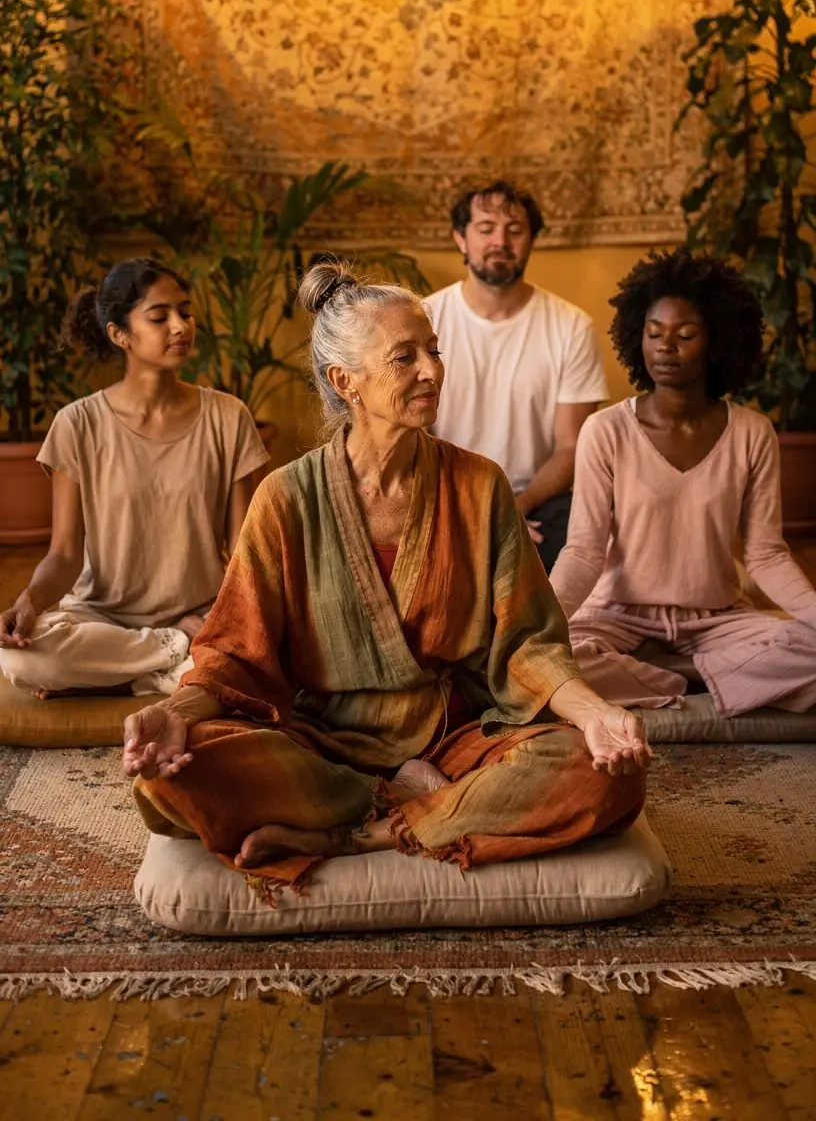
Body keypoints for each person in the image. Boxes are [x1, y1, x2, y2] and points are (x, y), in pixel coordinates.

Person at [124, 261, 649, 904]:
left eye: (433, 351)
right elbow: (232, 653)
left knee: (598, 776)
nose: (432, 370)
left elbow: (530, 647)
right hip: (320, 747)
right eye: (405, 358)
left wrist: (596, 714)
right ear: (347, 382)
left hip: (455, 740)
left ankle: (354, 837)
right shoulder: (285, 498)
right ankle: (386, 802)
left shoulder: (480, 487)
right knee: (167, 781)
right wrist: (173, 714)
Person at [549, 249, 816, 716]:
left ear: (716, 343)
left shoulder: (753, 432)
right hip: (616, 616)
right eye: (654, 334)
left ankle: (679, 676)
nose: (665, 347)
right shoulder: (605, 430)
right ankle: (702, 681)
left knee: (807, 647)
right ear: (638, 337)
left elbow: (766, 553)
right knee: (546, 661)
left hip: (715, 620)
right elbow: (584, 551)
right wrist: (537, 626)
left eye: (685, 335)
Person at [0, 258, 270, 698]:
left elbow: (244, 551)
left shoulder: (229, 417)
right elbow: (65, 554)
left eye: (185, 312)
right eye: (159, 317)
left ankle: (116, 673)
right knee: (19, 657)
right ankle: (169, 662)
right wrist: (27, 603)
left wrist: (228, 622)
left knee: (272, 652)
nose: (181, 326)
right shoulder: (77, 424)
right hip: (101, 619)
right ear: (119, 334)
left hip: (202, 615)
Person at [425, 181, 608, 571]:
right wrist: (470, 511)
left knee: (588, 538)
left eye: (515, 229)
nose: (500, 241)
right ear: (461, 238)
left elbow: (572, 448)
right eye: (486, 228)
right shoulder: (425, 320)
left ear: (531, 240)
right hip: (444, 495)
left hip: (537, 500)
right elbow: (410, 435)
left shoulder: (570, 326)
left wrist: (513, 510)